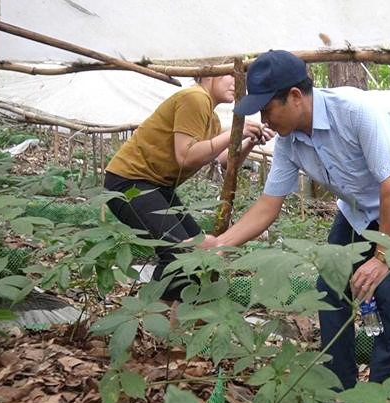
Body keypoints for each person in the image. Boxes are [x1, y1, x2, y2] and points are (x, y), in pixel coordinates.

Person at [201, 50, 390, 389]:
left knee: (385, 287)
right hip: (357, 211)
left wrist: (382, 257)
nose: (265, 120)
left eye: (267, 109)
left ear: (295, 97)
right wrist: (220, 245)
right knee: (330, 287)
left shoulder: (355, 111)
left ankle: (388, 396)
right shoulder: (289, 142)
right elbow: (268, 206)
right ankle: (338, 388)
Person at [104, 74, 272, 303]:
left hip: (158, 187)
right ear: (208, 74)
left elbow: (225, 160)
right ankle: (150, 320)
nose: (236, 82)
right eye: (229, 74)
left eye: (239, 76)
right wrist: (233, 132)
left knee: (196, 254)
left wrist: (248, 140)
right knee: (180, 255)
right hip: (130, 182)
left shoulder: (210, 116)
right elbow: (186, 156)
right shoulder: (195, 97)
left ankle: (173, 329)